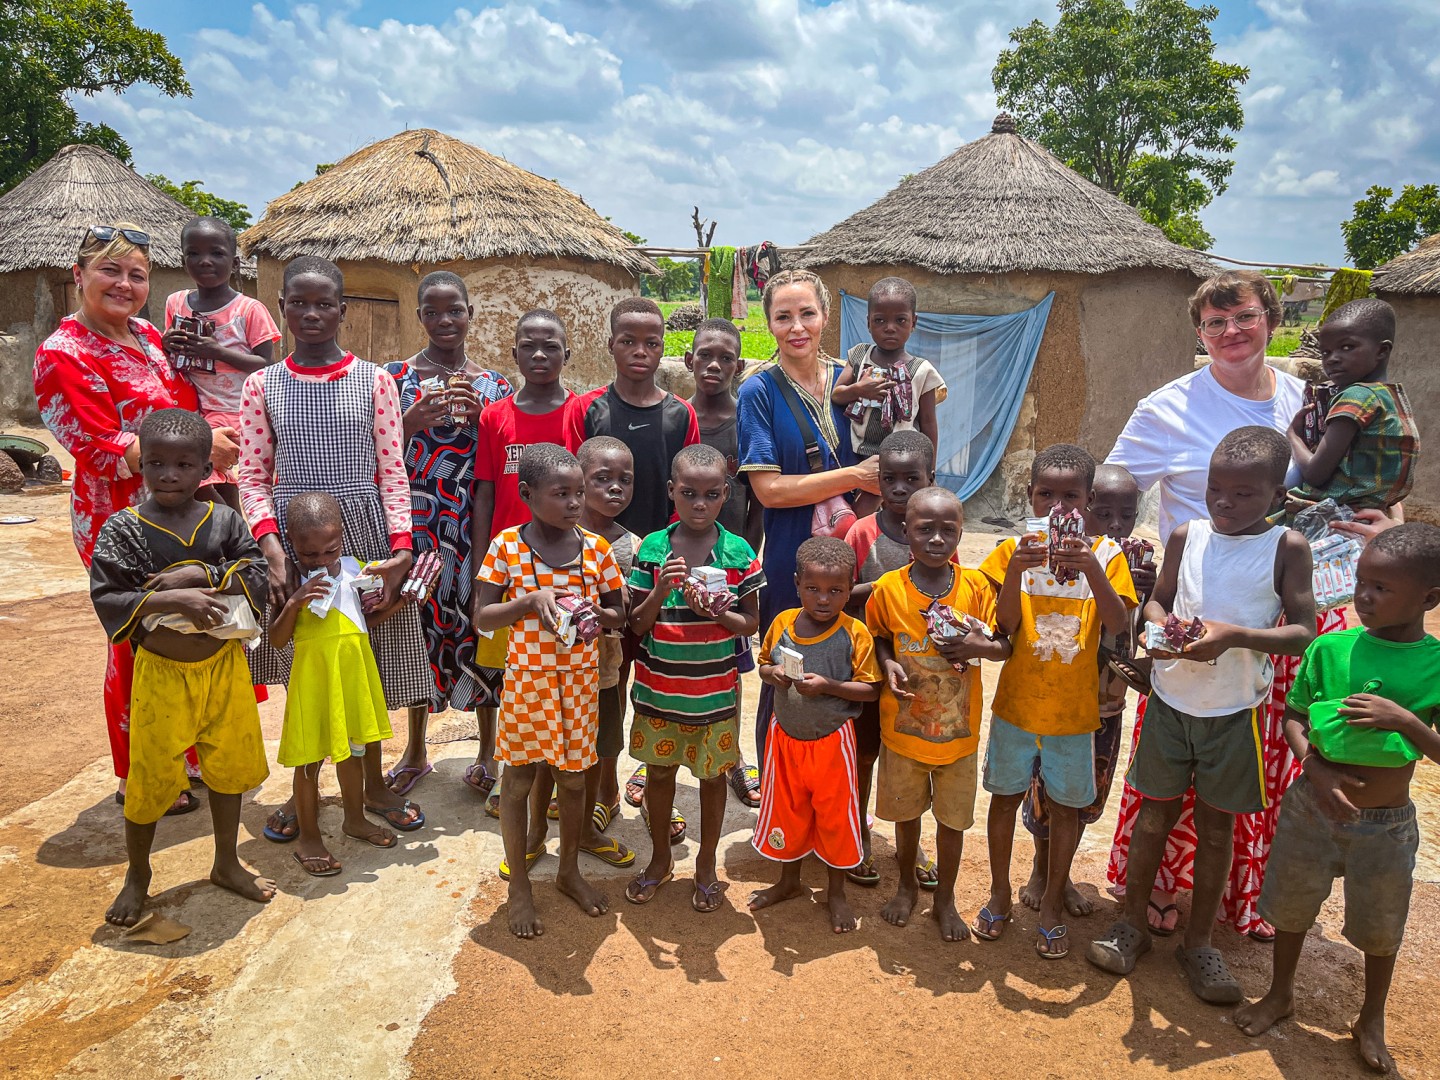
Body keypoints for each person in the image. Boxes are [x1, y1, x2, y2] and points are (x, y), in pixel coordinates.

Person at [1104, 269, 1324, 941]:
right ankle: (1159, 895)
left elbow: (1335, 488)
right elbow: (1114, 491)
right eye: (1215, 323)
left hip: (1268, 620)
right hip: (1188, 620)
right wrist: (1128, 575)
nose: (1231, 332)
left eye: (1245, 317)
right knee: (1169, 777)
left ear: (1271, 318)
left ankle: (1234, 904)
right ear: (1199, 332)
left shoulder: (1304, 403)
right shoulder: (1168, 408)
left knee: (1248, 779)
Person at [1087, 427, 1316, 1003]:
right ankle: (1131, 925)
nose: (1224, 503)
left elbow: (1303, 632)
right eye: (1216, 489)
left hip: (1235, 713)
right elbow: (1161, 598)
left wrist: (1234, 635)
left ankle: (1199, 944)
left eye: (1244, 494)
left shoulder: (1287, 547)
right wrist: (1161, 628)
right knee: (1153, 818)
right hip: (1171, 703)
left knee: (1217, 831)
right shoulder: (1189, 535)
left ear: (1276, 497)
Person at [1234, 524, 1440, 1073]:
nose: (1364, 597)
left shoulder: (1435, 665)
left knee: (1381, 924)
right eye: (1361, 583)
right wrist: (1314, 767)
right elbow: (1295, 715)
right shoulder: (1331, 646)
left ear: (1429, 599)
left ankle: (1371, 1018)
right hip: (1311, 803)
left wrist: (1407, 722)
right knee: (1291, 906)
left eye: (1382, 589)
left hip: (1387, 822)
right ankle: (1279, 994)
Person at [238, 256, 430, 843]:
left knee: (369, 666)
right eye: (299, 302)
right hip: (297, 542)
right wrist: (273, 552)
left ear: (343, 310)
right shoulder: (261, 384)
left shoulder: (374, 381)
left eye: (325, 303)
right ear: (282, 307)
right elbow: (251, 475)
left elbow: (392, 470)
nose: (312, 313)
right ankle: (308, 793)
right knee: (306, 665)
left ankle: (371, 785)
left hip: (365, 536)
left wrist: (400, 551)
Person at [34, 222, 220, 811]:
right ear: (79, 276)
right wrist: (205, 443)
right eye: (110, 271)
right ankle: (141, 770)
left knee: (188, 632)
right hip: (121, 520)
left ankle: (186, 755)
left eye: (136, 274)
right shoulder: (63, 353)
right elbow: (99, 450)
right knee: (137, 638)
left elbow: (181, 407)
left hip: (182, 511)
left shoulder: (146, 335)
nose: (124, 284)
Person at [87, 409, 272, 926]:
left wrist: (203, 573)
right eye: (156, 463)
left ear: (204, 469)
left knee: (228, 766)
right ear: (141, 464)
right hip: (162, 672)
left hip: (222, 666)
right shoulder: (124, 529)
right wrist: (180, 602)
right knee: (149, 776)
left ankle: (227, 861)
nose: (169, 474)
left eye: (185, 464)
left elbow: (255, 570)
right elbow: (109, 595)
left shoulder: (224, 520)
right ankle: (138, 875)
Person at [975, 444, 1136, 959]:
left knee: (1068, 809)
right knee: (1004, 798)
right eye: (1046, 494)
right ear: (1031, 495)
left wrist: (1090, 568)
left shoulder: (1107, 555)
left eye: (1070, 496)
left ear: (1088, 501)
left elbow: (1118, 625)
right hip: (1017, 707)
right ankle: (1000, 894)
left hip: (1073, 713)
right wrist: (1019, 572)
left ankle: (1050, 906)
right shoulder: (1011, 550)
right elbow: (1005, 627)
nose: (1057, 506)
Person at [475, 443, 627, 939]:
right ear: (527, 494)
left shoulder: (596, 550)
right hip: (529, 686)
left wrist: (595, 614)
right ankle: (519, 885)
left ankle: (567, 872)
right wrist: (532, 600)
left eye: (579, 493)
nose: (576, 503)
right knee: (518, 782)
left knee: (575, 781)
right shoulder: (506, 547)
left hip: (580, 686)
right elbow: (482, 617)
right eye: (561, 494)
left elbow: (617, 615)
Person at [738, 269, 881, 771]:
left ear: (825, 317)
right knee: (785, 671)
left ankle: (839, 791)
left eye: (807, 314)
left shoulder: (851, 380)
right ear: (769, 323)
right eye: (783, 316)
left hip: (859, 557)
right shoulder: (758, 392)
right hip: (790, 560)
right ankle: (776, 790)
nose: (796, 327)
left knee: (851, 667)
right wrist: (855, 477)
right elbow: (770, 491)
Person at [382, 272, 514, 799]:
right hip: (417, 522)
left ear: (470, 315)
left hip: (471, 523)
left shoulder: (495, 384)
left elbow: (502, 459)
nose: (444, 321)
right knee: (418, 630)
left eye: (454, 311)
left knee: (478, 629)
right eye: (433, 313)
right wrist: (410, 420)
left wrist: (486, 421)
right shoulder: (393, 378)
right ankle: (415, 749)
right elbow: (379, 454)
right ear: (419, 317)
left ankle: (487, 750)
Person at [624, 444, 764, 911]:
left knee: (712, 779)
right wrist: (662, 586)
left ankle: (706, 862)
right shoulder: (653, 548)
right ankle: (661, 857)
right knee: (660, 775)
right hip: (660, 692)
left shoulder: (738, 551)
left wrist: (719, 612)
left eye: (710, 494)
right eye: (688, 493)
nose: (699, 504)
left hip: (713, 696)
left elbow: (751, 624)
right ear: (671, 493)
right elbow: (637, 625)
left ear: (726, 495)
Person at [867, 486, 1010, 940]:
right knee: (906, 816)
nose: (936, 539)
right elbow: (879, 635)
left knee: (952, 822)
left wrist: (977, 647)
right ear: (905, 531)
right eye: (925, 529)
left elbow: (1005, 644)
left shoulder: (976, 588)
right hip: (903, 734)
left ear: (961, 533)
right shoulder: (889, 589)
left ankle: (944, 899)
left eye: (947, 530)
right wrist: (888, 661)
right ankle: (907, 885)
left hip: (958, 739)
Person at [1019, 464, 1156, 918]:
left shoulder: (1127, 561)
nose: (1115, 525)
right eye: (1104, 512)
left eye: (1127, 515)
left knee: (1084, 795)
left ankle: (1063, 875)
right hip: (1057, 696)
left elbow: (1129, 628)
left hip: (1106, 702)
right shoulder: (1054, 555)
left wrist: (1146, 592)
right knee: (1045, 789)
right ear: (1083, 507)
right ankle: (1041, 870)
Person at [471, 309, 580, 819]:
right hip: (510, 564)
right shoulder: (495, 417)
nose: (539, 355)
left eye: (550, 346)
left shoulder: (578, 414)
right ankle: (494, 761)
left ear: (566, 353)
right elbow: (486, 496)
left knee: (558, 666)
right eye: (529, 346)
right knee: (503, 667)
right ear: (512, 354)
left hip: (566, 565)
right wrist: (480, 566)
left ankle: (556, 773)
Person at [269, 492, 409, 876]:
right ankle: (309, 837)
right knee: (309, 759)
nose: (322, 561)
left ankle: (354, 819)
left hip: (353, 672)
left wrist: (400, 601)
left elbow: (362, 622)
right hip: (313, 681)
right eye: (310, 554)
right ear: (292, 545)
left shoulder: (354, 570)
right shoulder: (289, 580)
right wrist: (294, 601)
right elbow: (278, 639)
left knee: (355, 750)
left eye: (330, 551)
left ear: (342, 538)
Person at [750, 537, 882, 934]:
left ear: (850, 588)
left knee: (834, 817)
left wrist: (828, 685)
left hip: (831, 742)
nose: (823, 599)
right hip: (785, 738)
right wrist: (772, 674)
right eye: (813, 589)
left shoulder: (854, 633)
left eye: (836, 591)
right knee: (788, 810)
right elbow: (763, 665)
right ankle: (789, 881)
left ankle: (836, 893)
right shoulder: (783, 623)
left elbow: (871, 688)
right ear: (796, 584)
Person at [845, 429, 943, 889]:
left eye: (912, 479)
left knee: (912, 759)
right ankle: (858, 835)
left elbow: (948, 592)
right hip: (867, 666)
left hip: (920, 668)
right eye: (890, 479)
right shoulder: (861, 532)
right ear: (877, 480)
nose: (900, 489)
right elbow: (840, 593)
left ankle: (912, 845)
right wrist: (891, 586)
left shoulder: (940, 531)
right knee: (865, 754)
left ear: (930, 478)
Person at [685, 316, 765, 810]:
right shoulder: (676, 418)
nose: (714, 365)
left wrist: (741, 559)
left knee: (728, 668)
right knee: (665, 661)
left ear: (739, 365)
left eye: (726, 358)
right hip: (674, 561)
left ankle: (731, 757)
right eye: (705, 355)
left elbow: (756, 501)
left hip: (729, 566)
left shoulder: (747, 424)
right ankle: (660, 760)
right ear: (689, 359)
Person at [161, 215, 281, 511]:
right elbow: (169, 357)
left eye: (216, 253)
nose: (205, 261)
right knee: (219, 484)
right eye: (194, 253)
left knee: (198, 477)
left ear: (235, 263)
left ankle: (233, 534)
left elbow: (267, 366)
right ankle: (234, 542)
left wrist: (220, 352)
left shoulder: (248, 310)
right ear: (183, 259)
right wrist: (165, 344)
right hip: (193, 407)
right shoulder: (176, 303)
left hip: (237, 411)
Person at [566, 296, 700, 537]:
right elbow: (573, 482)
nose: (640, 352)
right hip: (593, 545)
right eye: (628, 341)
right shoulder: (585, 408)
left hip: (659, 548)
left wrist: (666, 542)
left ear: (662, 347)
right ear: (610, 345)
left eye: (651, 344)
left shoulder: (682, 414)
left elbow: (690, 486)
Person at [1284, 298, 1419, 516]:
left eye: (1347, 347)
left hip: (1335, 517)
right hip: (1374, 512)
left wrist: (1292, 436)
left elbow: (1315, 473)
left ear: (1382, 351)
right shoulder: (1391, 396)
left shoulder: (1356, 397)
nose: (1332, 359)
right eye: (1325, 352)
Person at [574, 435, 637, 870]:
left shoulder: (633, 545)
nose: (615, 488)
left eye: (624, 480)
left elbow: (628, 613)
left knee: (603, 734)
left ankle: (604, 798)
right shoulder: (556, 533)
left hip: (608, 665)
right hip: (554, 666)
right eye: (603, 479)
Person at [830, 276, 945, 462]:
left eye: (900, 320)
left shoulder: (922, 371)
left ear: (913, 323)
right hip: (854, 454)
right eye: (880, 320)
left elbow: (928, 423)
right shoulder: (859, 355)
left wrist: (930, 469)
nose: (890, 328)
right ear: (868, 323)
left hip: (902, 460)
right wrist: (859, 389)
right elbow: (836, 395)